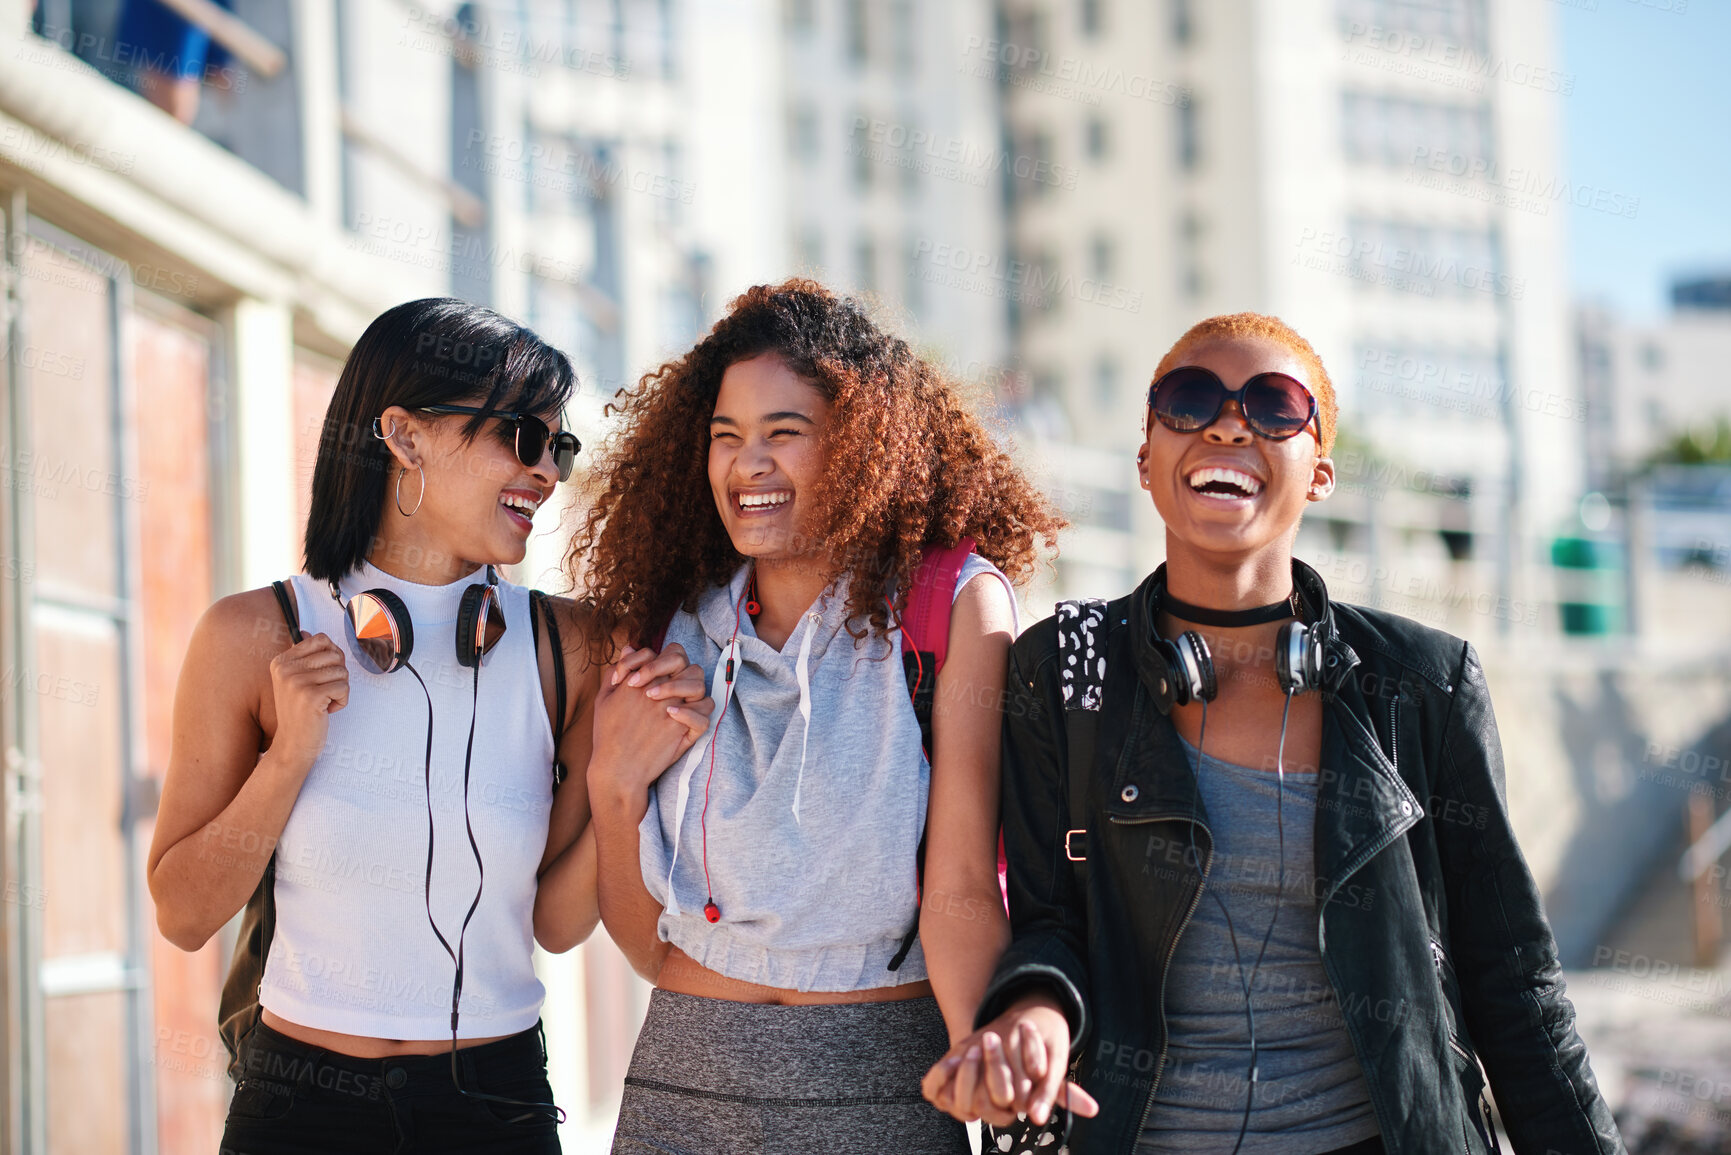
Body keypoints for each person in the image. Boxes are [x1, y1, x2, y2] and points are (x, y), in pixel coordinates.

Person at [924, 313, 1626, 1155]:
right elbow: (1050, 923)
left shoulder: (1424, 684)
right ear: (1145, 458)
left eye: (1274, 404)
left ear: (1320, 471)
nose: (1227, 423)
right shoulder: (1065, 672)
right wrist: (1030, 1013)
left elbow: (1514, 983)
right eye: (1187, 402)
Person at [147, 298, 711, 1153]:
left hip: (496, 1100)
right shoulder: (254, 634)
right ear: (405, 436)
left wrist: (615, 784)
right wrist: (289, 756)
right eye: (520, 436)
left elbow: (555, 925)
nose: (548, 473)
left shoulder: (576, 648)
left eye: (557, 447)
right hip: (300, 1104)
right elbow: (184, 913)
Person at [571, 279, 1065, 1153]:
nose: (746, 463)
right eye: (725, 437)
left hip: (880, 1084)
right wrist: (611, 785)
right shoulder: (666, 625)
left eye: (782, 434)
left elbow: (956, 887)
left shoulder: (949, 604)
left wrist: (975, 1049)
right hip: (682, 1087)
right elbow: (652, 948)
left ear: (859, 448)